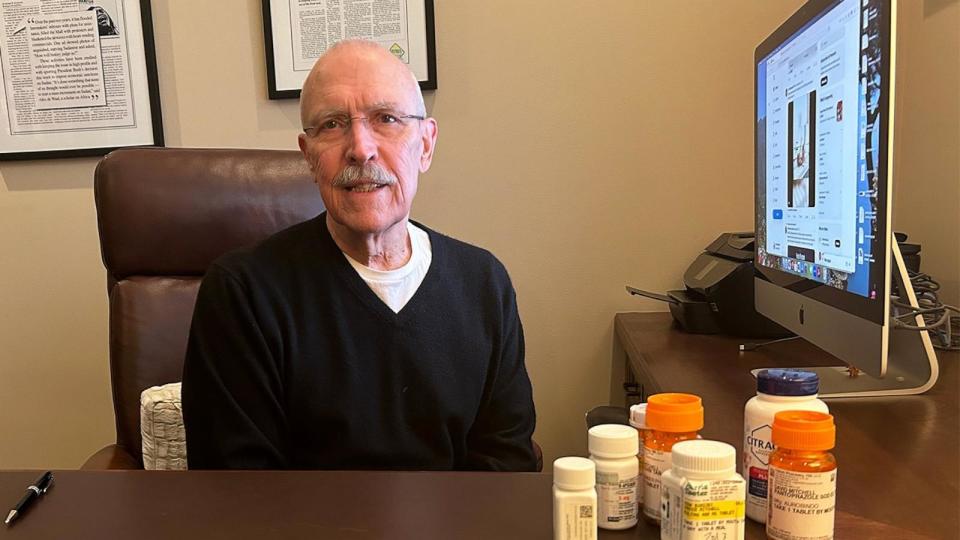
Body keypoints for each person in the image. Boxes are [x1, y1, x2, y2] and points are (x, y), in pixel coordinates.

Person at [181, 40, 537, 472]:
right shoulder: (243, 294)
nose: (361, 148)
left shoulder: (483, 284)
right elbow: (238, 491)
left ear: (425, 145)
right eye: (332, 124)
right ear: (309, 156)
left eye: (386, 119)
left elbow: (506, 465)